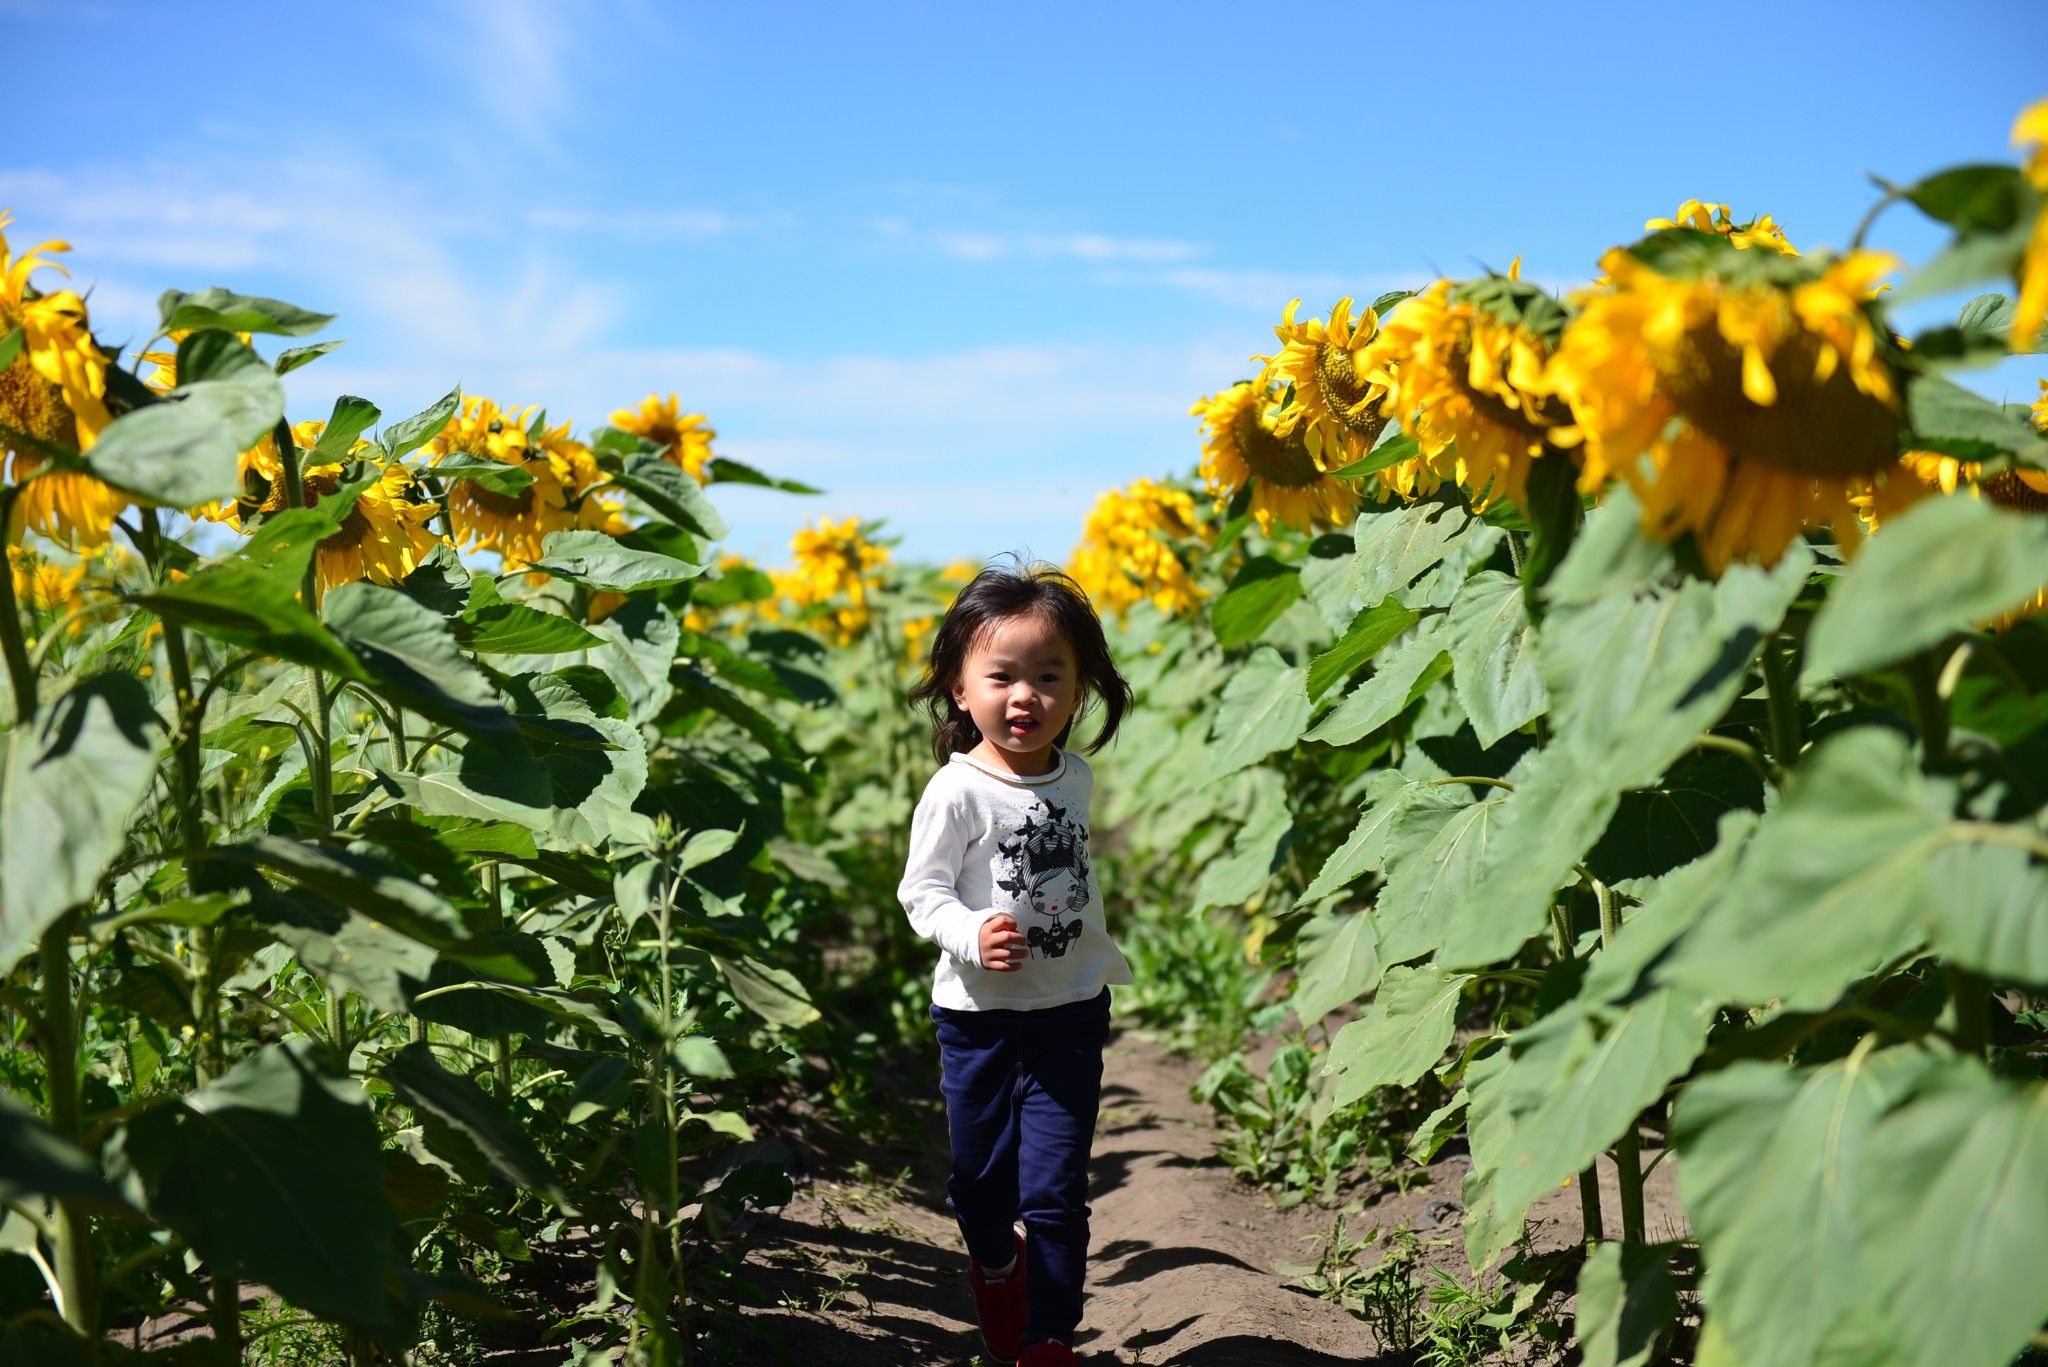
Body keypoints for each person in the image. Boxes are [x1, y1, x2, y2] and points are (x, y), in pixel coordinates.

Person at [898, 560, 1136, 1366]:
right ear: (961, 690)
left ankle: (1049, 1339)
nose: (1023, 695)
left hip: (1070, 1006)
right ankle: (997, 1264)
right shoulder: (956, 790)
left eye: (1047, 676)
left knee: (1058, 1190)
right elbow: (922, 891)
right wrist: (971, 933)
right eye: (1001, 676)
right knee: (981, 1186)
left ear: (1077, 692)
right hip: (978, 1019)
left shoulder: (1077, 777)